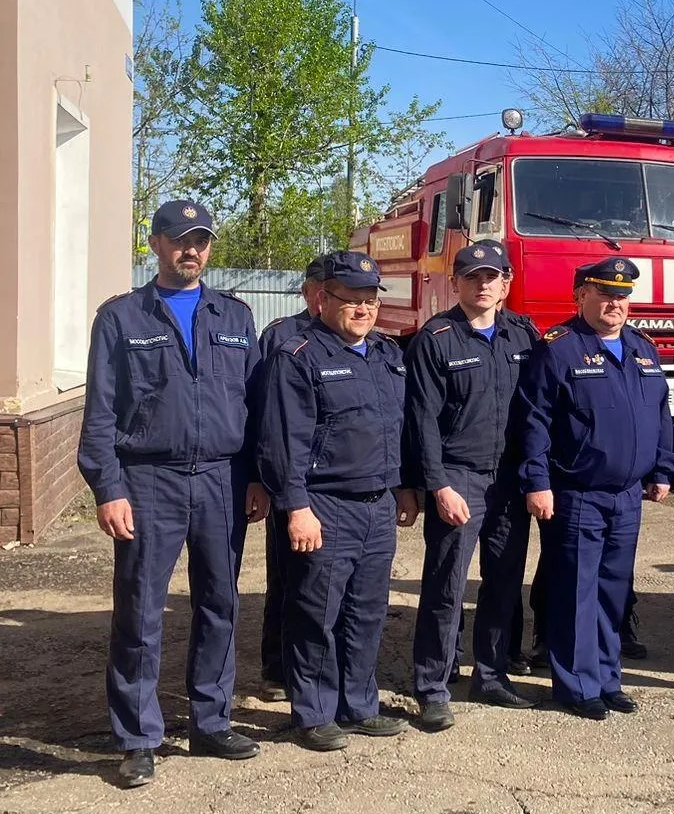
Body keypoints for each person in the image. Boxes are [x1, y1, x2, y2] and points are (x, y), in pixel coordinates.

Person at [78, 199, 263, 788]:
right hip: (148, 481)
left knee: (220, 603)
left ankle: (211, 722)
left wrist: (257, 476)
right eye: (181, 239)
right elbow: (100, 412)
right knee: (139, 610)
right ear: (155, 243)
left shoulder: (235, 316)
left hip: (221, 479)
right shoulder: (122, 317)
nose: (192, 250)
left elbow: (255, 406)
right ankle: (137, 737)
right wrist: (108, 487)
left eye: (201, 240)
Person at [258, 250, 420, 751]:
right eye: (352, 300)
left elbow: (397, 429)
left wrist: (404, 486)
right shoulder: (298, 356)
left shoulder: (387, 355)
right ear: (323, 300)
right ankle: (313, 712)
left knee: (366, 611)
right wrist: (296, 508)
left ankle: (359, 705)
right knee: (316, 613)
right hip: (324, 506)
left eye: (370, 300)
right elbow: (282, 442)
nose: (363, 309)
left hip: (377, 504)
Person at [518, 257, 674, 720]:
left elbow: (660, 414)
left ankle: (607, 678)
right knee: (575, 592)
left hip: (627, 496)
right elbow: (534, 421)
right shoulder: (559, 348)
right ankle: (577, 685)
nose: (615, 304)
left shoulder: (642, 348)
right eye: (605, 294)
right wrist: (537, 482)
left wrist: (662, 469)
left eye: (623, 296)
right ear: (581, 295)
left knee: (612, 590)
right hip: (577, 492)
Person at [404, 241, 539, 731]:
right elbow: (421, 420)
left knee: (503, 582)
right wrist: (437, 485)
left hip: (509, 479)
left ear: (506, 284)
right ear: (455, 283)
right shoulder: (436, 338)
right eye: (472, 277)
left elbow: (538, 409)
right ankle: (433, 686)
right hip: (458, 477)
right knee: (446, 585)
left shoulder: (524, 335)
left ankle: (491, 674)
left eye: (491, 277)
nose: (482, 285)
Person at [255, 254, 327, 702]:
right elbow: (261, 410)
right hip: (289, 477)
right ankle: (276, 668)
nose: (325, 299)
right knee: (285, 575)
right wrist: (261, 478)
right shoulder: (281, 335)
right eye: (318, 290)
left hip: (334, 481)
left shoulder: (357, 339)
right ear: (307, 292)